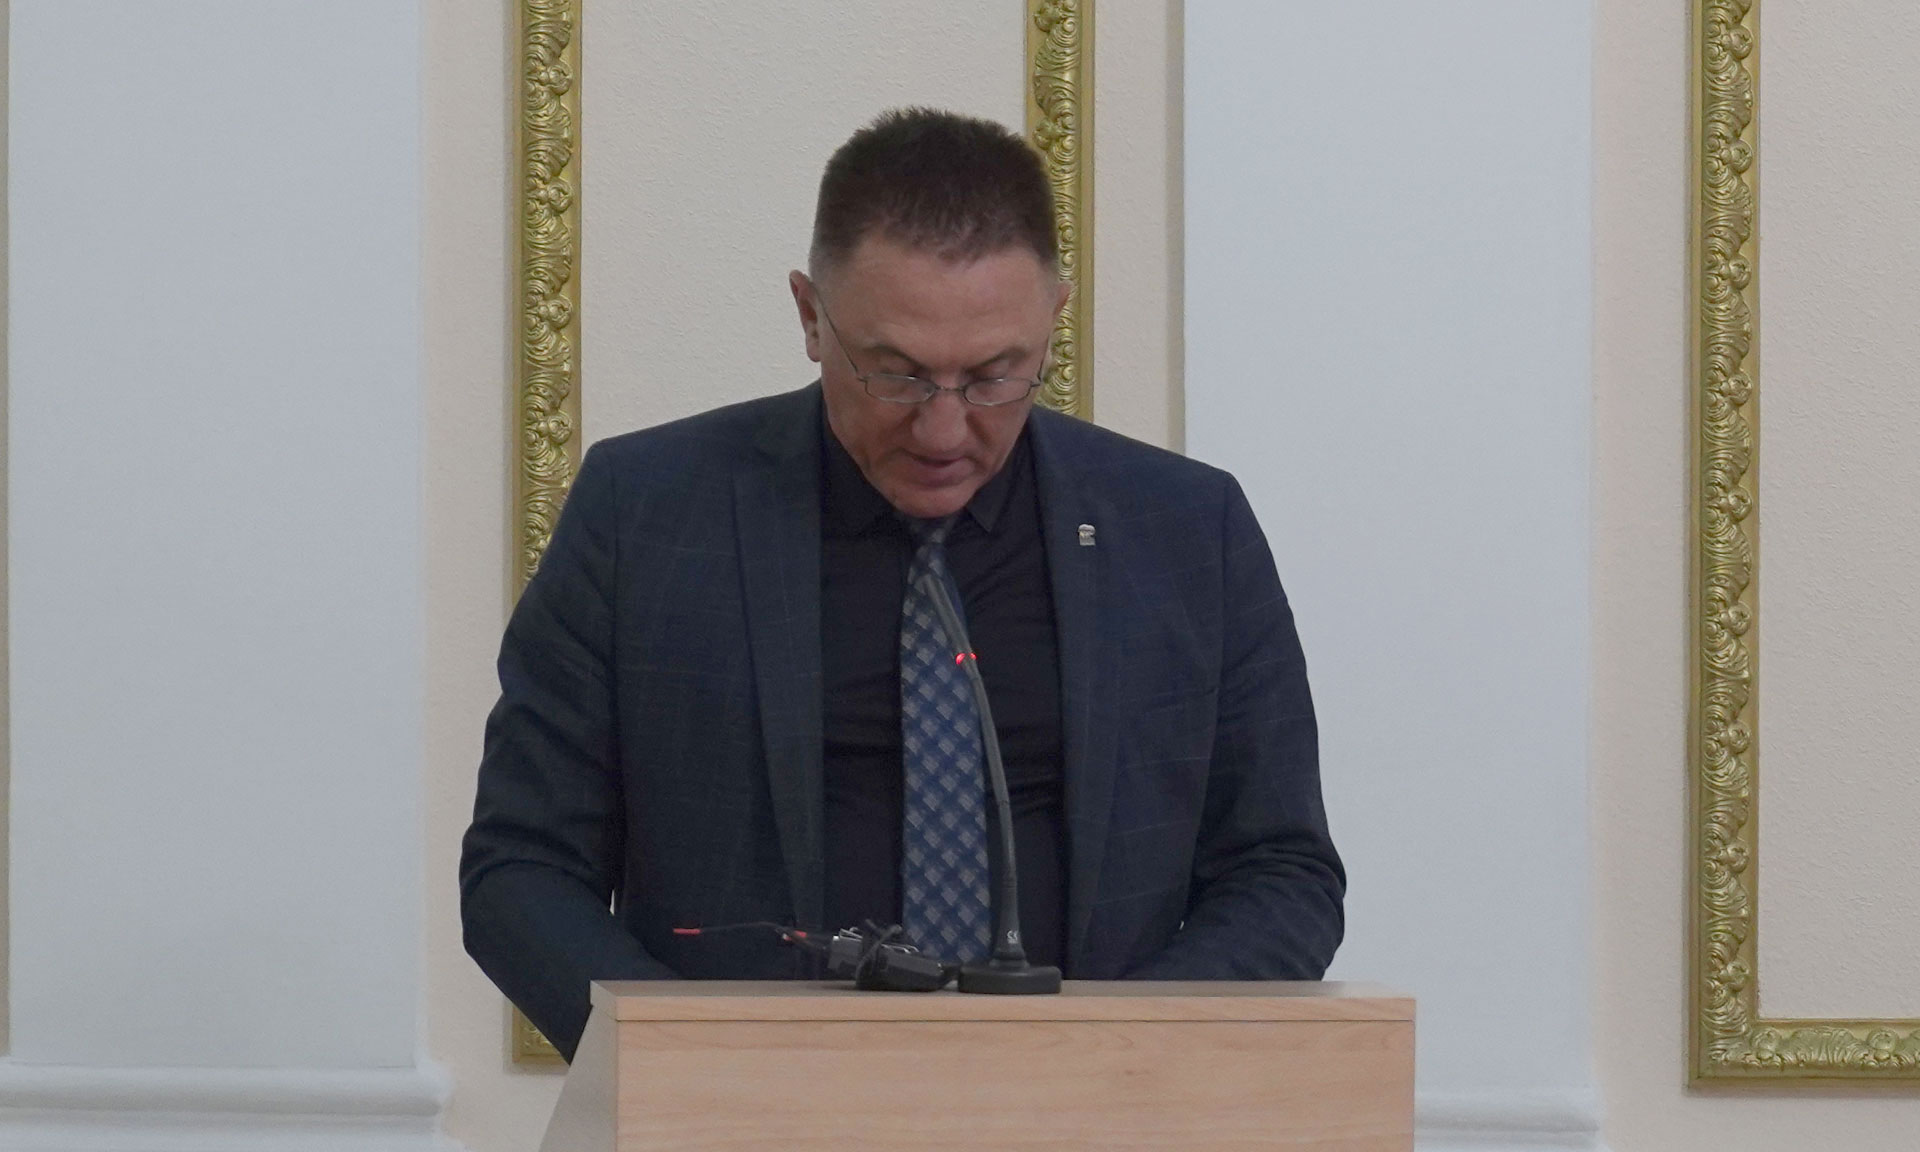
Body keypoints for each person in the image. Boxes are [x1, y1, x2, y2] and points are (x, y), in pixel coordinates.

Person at [460, 108, 1344, 1060]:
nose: (943, 430)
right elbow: (522, 868)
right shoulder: (646, 514)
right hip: (741, 1101)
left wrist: (1119, 1057)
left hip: (1101, 1097)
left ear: (1055, 320)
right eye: (897, 376)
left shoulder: (1186, 531)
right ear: (810, 316)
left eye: (995, 376)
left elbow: (1282, 872)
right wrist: (689, 1063)